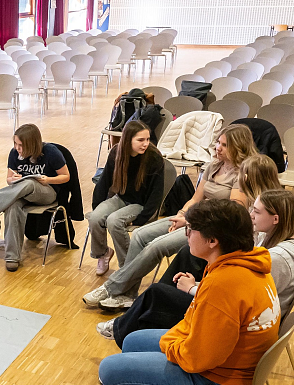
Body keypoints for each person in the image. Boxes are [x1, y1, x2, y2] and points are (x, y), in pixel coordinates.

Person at [98, 199, 280, 385]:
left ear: (212, 241)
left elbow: (197, 359)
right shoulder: (247, 263)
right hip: (230, 373)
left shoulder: (224, 284)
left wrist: (172, 343)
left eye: (191, 229)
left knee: (109, 371)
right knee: (134, 340)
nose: (187, 234)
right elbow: (195, 320)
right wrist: (177, 339)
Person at [84, 123, 258, 310]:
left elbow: (233, 212)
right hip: (195, 218)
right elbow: (195, 199)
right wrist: (182, 214)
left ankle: (112, 288)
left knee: (155, 247)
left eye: (224, 145)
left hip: (214, 229)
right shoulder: (214, 166)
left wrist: (189, 220)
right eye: (218, 142)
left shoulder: (243, 174)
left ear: (238, 147)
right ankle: (128, 294)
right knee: (140, 235)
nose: (218, 148)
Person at [99, 187, 294, 344]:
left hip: (235, 325)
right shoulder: (266, 236)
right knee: (184, 257)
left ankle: (126, 328)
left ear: (275, 219)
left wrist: (193, 288)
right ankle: (133, 326)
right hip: (231, 311)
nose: (251, 214)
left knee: (156, 294)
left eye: (257, 211)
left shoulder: (277, 258)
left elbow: (239, 299)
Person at [0, 124, 70, 271]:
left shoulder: (51, 152)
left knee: (29, 182)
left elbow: (66, 176)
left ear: (32, 144)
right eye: (15, 144)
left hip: (47, 193)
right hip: (22, 193)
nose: (17, 148)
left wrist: (48, 179)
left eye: (21, 145)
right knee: (12, 205)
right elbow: (9, 180)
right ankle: (12, 257)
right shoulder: (14, 153)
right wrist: (13, 180)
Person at [87, 121, 164, 275]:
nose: (146, 144)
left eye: (148, 139)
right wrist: (98, 205)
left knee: (114, 221)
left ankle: (128, 266)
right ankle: (103, 254)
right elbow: (104, 181)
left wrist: (142, 218)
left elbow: (157, 193)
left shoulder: (154, 157)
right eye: (140, 140)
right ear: (128, 140)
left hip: (141, 204)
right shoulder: (116, 152)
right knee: (95, 217)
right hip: (121, 198)